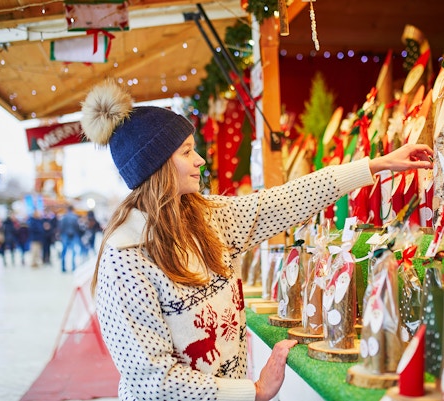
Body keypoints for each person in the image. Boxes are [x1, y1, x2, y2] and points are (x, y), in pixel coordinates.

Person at [80, 78, 433, 401]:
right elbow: (152, 381)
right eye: (186, 152)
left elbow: (284, 201)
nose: (200, 160)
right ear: (155, 167)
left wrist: (373, 167)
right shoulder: (125, 258)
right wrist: (254, 391)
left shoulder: (209, 216)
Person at [58, 205, 81, 273]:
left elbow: (61, 226)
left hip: (65, 235)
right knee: (73, 251)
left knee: (64, 251)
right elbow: (77, 227)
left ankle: (63, 267)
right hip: (73, 235)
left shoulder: (64, 217)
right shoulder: (75, 217)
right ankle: (73, 267)